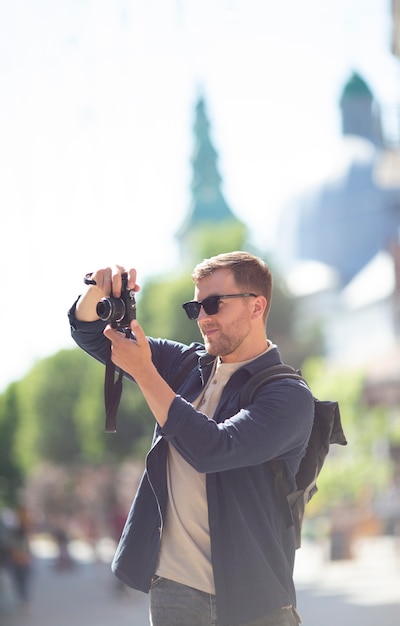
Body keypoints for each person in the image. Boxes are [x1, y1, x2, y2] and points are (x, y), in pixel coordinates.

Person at [68, 251, 314, 626]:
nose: (203, 318)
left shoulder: (287, 394)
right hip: (174, 590)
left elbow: (214, 448)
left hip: (256, 601)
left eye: (213, 304)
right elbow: (94, 336)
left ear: (256, 306)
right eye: (195, 307)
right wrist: (98, 293)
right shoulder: (185, 365)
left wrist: (147, 374)